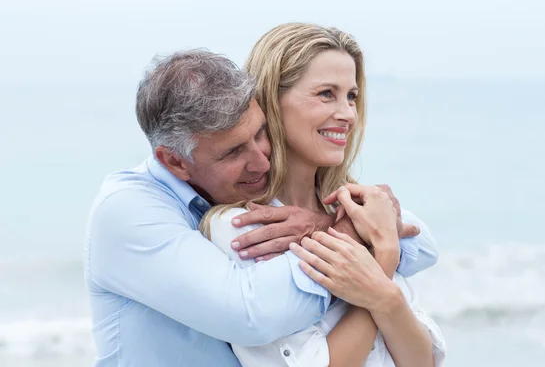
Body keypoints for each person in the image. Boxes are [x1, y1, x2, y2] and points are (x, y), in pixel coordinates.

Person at [84, 48, 438, 366]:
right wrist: (355, 236)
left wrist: (326, 222)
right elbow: (252, 314)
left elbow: (421, 245)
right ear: (174, 162)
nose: (262, 163)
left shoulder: (250, 198)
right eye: (234, 152)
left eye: (260, 134)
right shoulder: (129, 211)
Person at [202, 23, 446, 367]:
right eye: (326, 94)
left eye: (352, 96)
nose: (348, 114)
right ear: (272, 100)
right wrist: (382, 262)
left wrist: (338, 230)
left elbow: (424, 362)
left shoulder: (358, 210)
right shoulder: (247, 229)